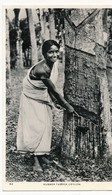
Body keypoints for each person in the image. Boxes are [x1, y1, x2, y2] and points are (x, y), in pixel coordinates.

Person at [17, 40, 75, 171]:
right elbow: (53, 89)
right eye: (50, 52)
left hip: (41, 96)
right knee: (35, 126)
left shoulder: (53, 64)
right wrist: (66, 105)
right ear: (44, 54)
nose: (54, 55)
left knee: (46, 124)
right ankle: (35, 160)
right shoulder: (42, 69)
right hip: (31, 97)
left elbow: (48, 88)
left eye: (56, 51)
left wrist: (54, 101)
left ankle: (42, 155)